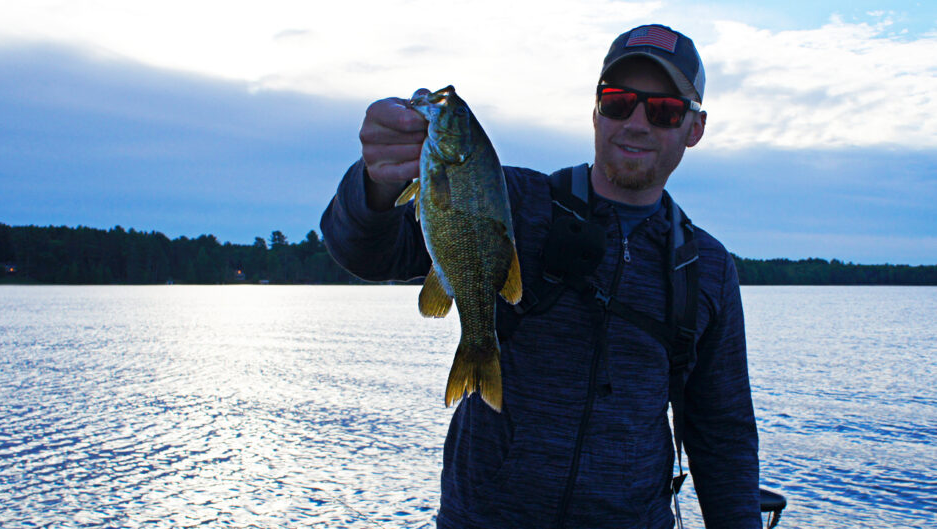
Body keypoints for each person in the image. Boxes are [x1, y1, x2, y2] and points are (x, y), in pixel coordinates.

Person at [321, 24, 760, 529]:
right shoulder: (513, 201)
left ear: (695, 128)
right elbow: (364, 251)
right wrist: (375, 183)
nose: (637, 122)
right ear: (595, 112)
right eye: (618, 101)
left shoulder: (706, 268)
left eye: (663, 110)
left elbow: (722, 434)